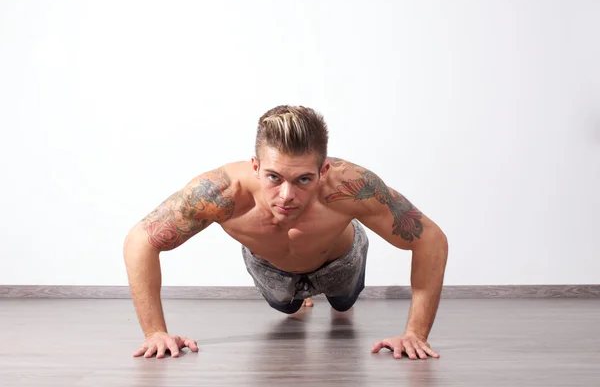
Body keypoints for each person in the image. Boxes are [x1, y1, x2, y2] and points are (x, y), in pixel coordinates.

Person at [123, 105, 449, 361]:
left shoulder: (351, 185)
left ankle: (338, 298)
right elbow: (140, 240)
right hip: (270, 268)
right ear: (255, 166)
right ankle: (299, 299)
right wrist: (155, 333)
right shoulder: (220, 192)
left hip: (340, 260)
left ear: (323, 171)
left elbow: (430, 238)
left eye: (304, 180)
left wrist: (415, 335)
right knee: (288, 310)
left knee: (343, 303)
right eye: (274, 177)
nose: (286, 196)